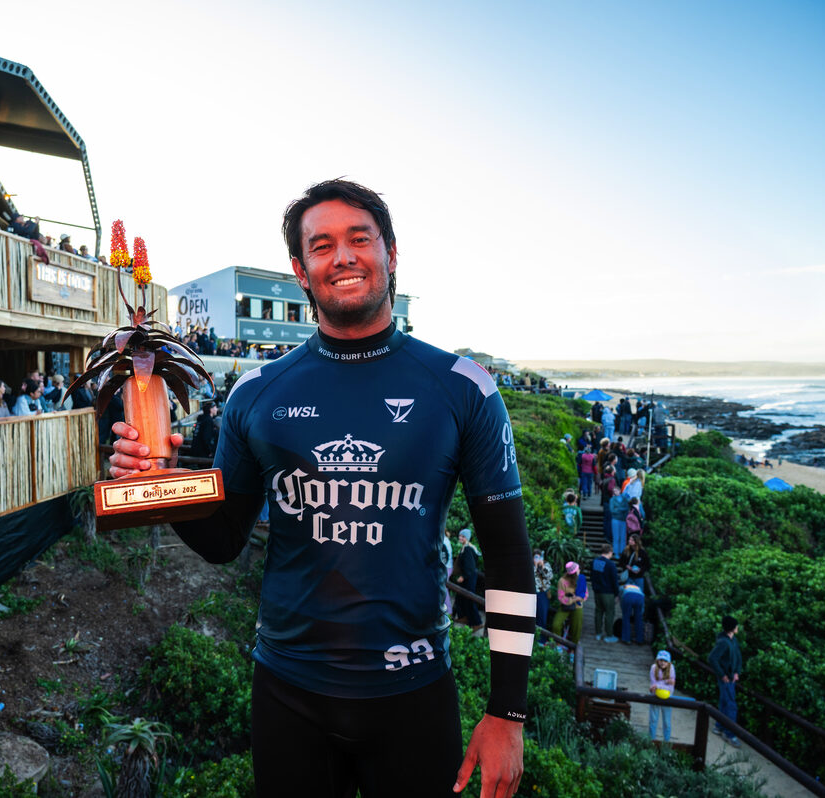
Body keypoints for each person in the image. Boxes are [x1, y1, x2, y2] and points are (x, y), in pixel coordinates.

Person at [109, 179, 533, 797]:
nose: (343, 257)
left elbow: (509, 556)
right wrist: (164, 484)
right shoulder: (257, 392)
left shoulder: (464, 386)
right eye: (323, 245)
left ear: (391, 253)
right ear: (301, 271)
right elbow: (225, 538)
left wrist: (508, 712)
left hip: (414, 696)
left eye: (360, 239)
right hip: (289, 696)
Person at [707, 615, 743, 748]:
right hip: (726, 678)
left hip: (732, 677)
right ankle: (730, 734)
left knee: (724, 701)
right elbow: (712, 658)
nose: (738, 628)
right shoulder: (723, 642)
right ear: (732, 628)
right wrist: (722, 674)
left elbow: (738, 657)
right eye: (736, 626)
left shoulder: (734, 640)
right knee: (731, 705)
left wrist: (737, 672)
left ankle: (719, 726)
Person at [452, 528, 484, 629]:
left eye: (463, 536)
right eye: (460, 536)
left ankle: (477, 623)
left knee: (470, 599)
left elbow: (470, 566)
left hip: (469, 577)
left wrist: (463, 576)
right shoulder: (466, 547)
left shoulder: (468, 549)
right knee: (460, 597)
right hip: (468, 576)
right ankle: (463, 617)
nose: (460, 538)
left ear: (467, 538)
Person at [551, 561, 587, 650]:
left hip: (578, 606)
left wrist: (579, 598)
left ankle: (573, 649)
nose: (579, 570)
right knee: (556, 625)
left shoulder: (581, 579)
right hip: (566, 605)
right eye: (578, 569)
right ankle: (558, 645)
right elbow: (561, 597)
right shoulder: (562, 581)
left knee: (576, 627)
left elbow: (585, 594)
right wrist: (573, 599)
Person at [591, 543, 620, 643]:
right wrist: (617, 594)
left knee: (598, 612)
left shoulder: (595, 561)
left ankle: (598, 633)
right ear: (610, 552)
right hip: (608, 592)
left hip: (597, 591)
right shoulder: (611, 565)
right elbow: (614, 581)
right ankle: (609, 635)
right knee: (609, 613)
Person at [648, 650, 675, 743]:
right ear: (657, 660)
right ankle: (651, 741)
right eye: (661, 660)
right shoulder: (653, 668)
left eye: (665, 661)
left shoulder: (671, 669)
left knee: (667, 722)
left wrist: (659, 685)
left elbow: (670, 688)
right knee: (653, 720)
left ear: (669, 662)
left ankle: (666, 742)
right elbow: (653, 684)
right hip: (655, 696)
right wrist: (666, 682)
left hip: (667, 698)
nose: (663, 662)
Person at [532, 551, 553, 644]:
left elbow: (550, 576)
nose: (537, 559)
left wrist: (542, 566)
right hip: (531, 594)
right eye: (535, 557)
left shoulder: (546, 565)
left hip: (542, 594)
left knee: (542, 617)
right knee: (532, 617)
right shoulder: (529, 565)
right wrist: (535, 566)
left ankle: (541, 641)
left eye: (539, 557)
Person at [617, 580, 644, 645]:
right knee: (638, 619)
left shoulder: (623, 587)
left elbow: (621, 598)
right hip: (640, 597)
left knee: (626, 618)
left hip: (628, 596)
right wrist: (642, 611)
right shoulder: (638, 588)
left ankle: (626, 639)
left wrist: (623, 609)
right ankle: (639, 639)